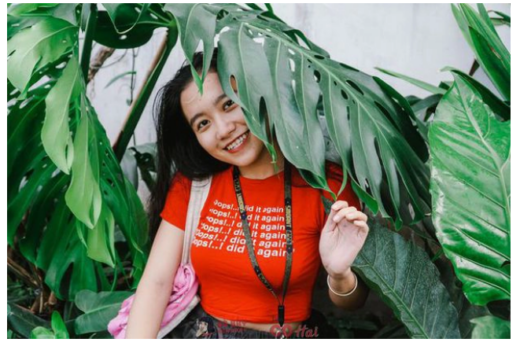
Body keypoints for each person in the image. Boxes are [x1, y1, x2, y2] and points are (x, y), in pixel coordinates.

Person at [125, 49, 370, 339]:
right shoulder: (194, 186)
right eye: (203, 123)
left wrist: (339, 275)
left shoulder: (327, 185)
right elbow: (157, 282)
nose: (224, 129)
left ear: (258, 95)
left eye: (229, 104)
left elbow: (355, 301)